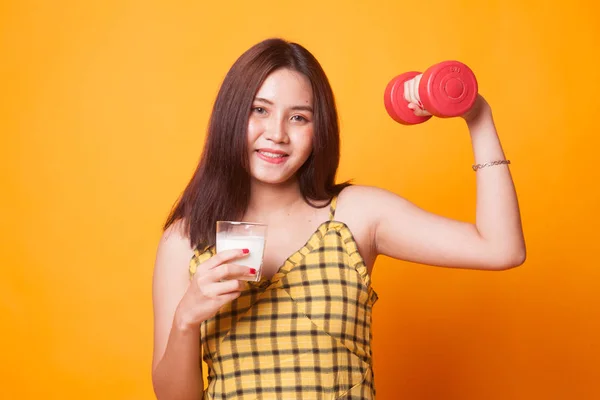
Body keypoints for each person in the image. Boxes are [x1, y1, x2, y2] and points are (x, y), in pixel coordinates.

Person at [151, 37, 526, 399]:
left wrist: (477, 115)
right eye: (259, 110)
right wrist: (186, 319)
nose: (277, 133)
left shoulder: (356, 215)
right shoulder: (185, 240)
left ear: (319, 130)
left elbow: (501, 249)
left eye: (298, 117)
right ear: (230, 115)